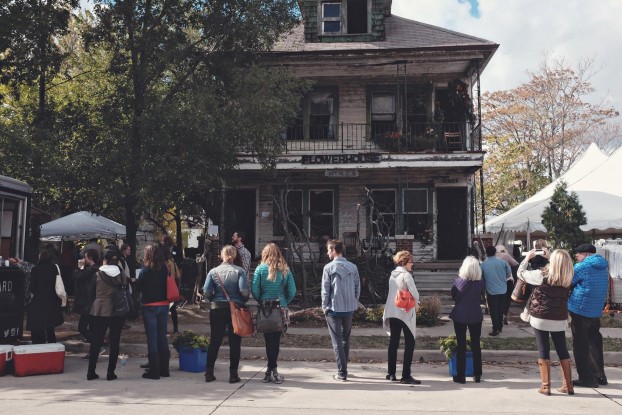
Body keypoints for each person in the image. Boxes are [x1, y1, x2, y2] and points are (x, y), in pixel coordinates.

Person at [518, 248, 574, 395]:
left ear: (553, 261)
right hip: (559, 317)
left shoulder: (540, 275)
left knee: (543, 349)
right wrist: (551, 259)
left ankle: (545, 386)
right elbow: (558, 269)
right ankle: (568, 385)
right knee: (562, 349)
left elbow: (521, 274)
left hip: (540, 317)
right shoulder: (568, 277)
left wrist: (527, 259)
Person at [202, 245, 249, 384]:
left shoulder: (213, 271)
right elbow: (244, 291)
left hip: (217, 308)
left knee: (215, 341)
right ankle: (233, 374)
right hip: (235, 308)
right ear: (234, 255)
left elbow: (207, 292)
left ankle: (209, 372)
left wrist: (214, 300)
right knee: (235, 342)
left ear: (222, 255)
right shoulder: (240, 271)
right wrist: (242, 301)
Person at [251, 243, 296, 384]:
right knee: (275, 341)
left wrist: (261, 299)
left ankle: (270, 371)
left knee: (267, 340)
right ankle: (273, 371)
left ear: (265, 254)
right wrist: (284, 301)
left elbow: (254, 289)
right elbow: (292, 291)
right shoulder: (285, 270)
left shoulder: (259, 269)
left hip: (265, 308)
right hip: (280, 308)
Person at [568, 243, 609, 388]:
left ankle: (586, 378)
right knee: (594, 341)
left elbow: (568, 283)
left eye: (578, 254)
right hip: (595, 310)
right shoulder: (603, 266)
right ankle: (600, 375)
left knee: (580, 343)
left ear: (585, 254)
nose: (577, 257)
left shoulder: (581, 267)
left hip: (580, 308)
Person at [86, 249, 130, 381]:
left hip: (99, 310)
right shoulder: (121, 274)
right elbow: (127, 289)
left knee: (96, 341)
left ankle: (91, 372)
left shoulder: (97, 274)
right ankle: (111, 373)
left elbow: (91, 294)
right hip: (118, 310)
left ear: (104, 259)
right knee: (114, 342)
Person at [321, 239, 360, 382]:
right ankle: (344, 369)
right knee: (345, 339)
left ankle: (342, 372)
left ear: (333, 250)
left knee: (336, 341)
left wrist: (324, 306)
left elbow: (325, 290)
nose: (327, 252)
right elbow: (357, 287)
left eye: (328, 250)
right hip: (349, 308)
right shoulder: (353, 267)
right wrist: (354, 301)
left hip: (333, 307)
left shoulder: (328, 268)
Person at [382, 250, 421, 384]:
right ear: (404, 262)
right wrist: (417, 304)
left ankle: (391, 373)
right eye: (411, 262)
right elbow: (415, 294)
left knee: (394, 342)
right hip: (405, 313)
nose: (412, 264)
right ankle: (406, 375)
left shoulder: (392, 275)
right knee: (410, 343)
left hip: (392, 312)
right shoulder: (407, 275)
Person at [449, 256, 485, 384]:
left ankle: (460, 375)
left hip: (460, 315)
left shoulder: (458, 282)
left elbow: (453, 295)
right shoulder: (480, 283)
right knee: (476, 344)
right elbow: (482, 297)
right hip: (475, 314)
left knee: (461, 344)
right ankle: (477, 374)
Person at [136, 243, 171, 380]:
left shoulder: (145, 270)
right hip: (164, 305)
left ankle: (154, 371)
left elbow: (139, 286)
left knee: (152, 337)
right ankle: (165, 369)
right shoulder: (165, 269)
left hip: (150, 305)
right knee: (162, 336)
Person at [27, 245, 67, 344]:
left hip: (39, 301)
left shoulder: (36, 269)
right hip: (53, 301)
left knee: (37, 326)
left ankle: (38, 347)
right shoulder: (54, 268)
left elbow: (32, 288)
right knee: (50, 329)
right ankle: (52, 348)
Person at [73, 249, 100, 358]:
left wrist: (79, 267)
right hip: (92, 301)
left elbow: (77, 276)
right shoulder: (95, 269)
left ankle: (97, 347)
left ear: (90, 258)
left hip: (87, 303)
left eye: (86, 257)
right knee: (92, 328)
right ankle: (94, 351)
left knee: (82, 327)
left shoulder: (91, 270)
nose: (84, 259)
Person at [480, 245, 511, 336]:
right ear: (495, 253)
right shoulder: (503, 263)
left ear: (486, 253)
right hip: (503, 289)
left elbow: (481, 278)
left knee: (493, 310)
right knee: (500, 309)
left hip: (491, 290)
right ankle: (500, 327)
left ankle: (495, 328)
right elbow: (508, 275)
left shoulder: (483, 265)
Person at [495, 244, 519, 325]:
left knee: (498, 299)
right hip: (507, 280)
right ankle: (504, 314)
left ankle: (498, 315)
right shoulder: (506, 255)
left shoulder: (492, 256)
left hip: (496, 281)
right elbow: (515, 264)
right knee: (507, 299)